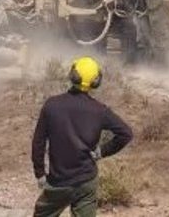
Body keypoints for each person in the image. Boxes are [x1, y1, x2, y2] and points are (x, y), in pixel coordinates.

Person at [31, 56, 133, 217]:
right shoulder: (99, 110)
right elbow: (126, 134)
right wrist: (103, 151)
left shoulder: (52, 105)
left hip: (58, 182)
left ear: (72, 75)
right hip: (86, 181)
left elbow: (38, 142)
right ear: (95, 81)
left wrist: (40, 173)